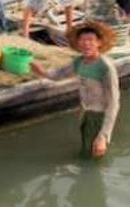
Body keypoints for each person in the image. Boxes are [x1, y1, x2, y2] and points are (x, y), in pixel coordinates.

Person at [31, 22, 120, 158]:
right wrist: (42, 72)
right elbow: (60, 74)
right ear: (78, 44)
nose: (86, 44)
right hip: (85, 113)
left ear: (99, 43)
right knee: (88, 151)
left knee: (92, 155)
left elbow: (114, 103)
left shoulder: (105, 67)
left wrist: (103, 135)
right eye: (82, 40)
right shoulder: (79, 62)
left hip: (99, 117)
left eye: (90, 40)